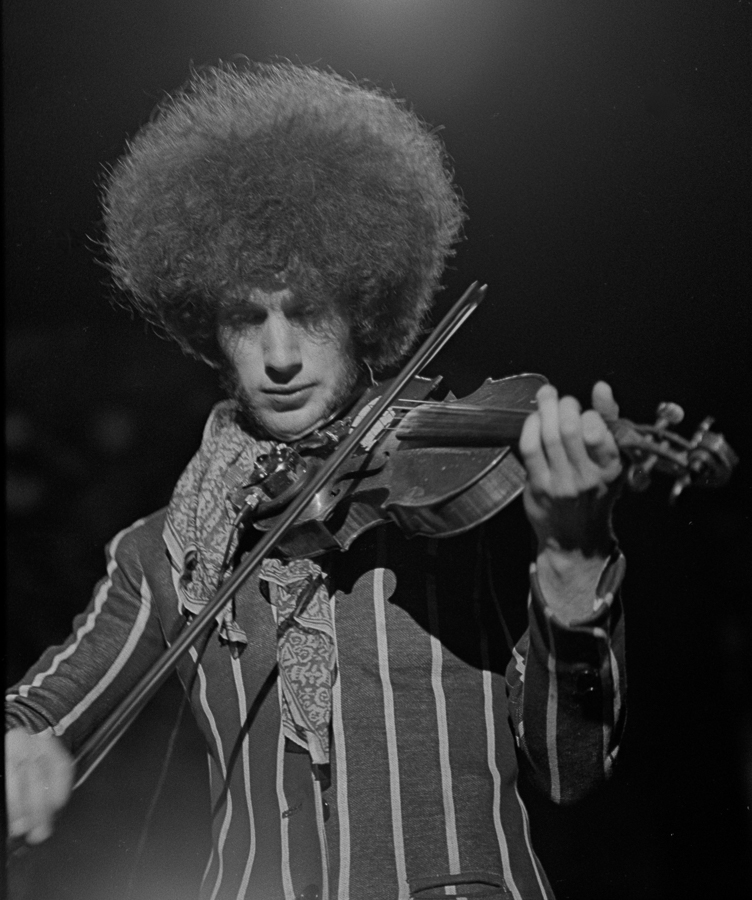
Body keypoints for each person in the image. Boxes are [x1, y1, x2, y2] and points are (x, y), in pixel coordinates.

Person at [5, 62, 626, 900]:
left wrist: (574, 562)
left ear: (365, 305)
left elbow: (571, 771)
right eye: (246, 317)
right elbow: (35, 713)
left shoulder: (473, 493)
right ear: (206, 328)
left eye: (309, 311)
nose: (282, 353)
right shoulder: (163, 553)